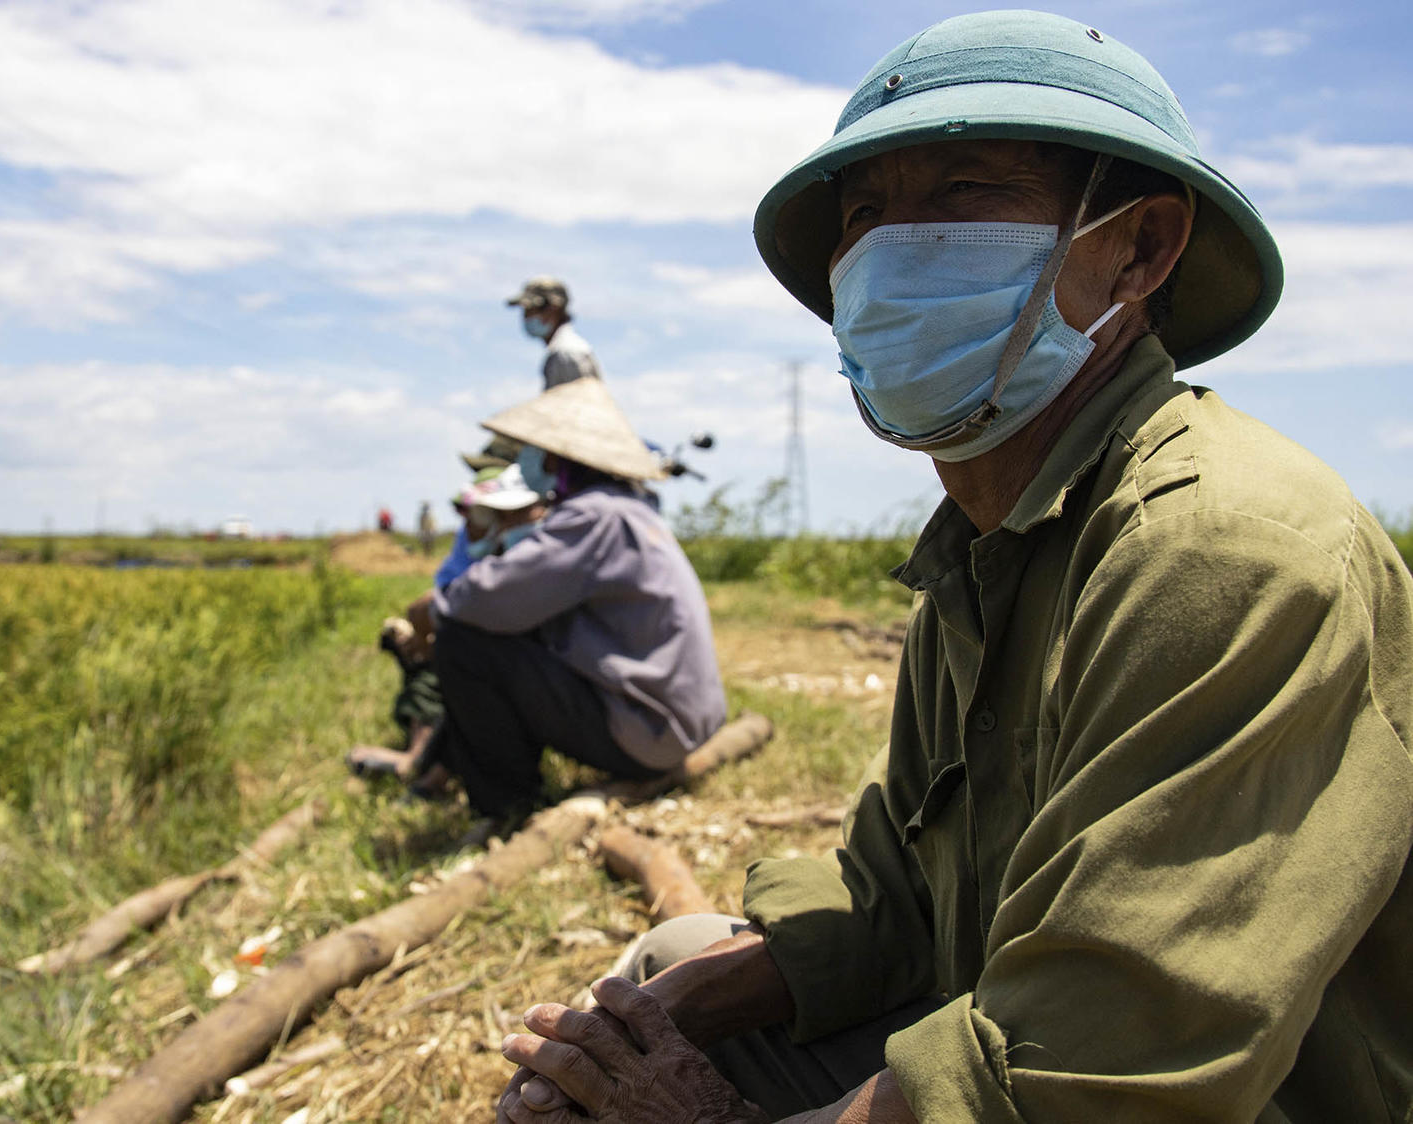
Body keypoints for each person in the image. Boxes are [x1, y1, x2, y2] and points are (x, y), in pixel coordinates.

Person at [497, 11, 1413, 1124]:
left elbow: (1099, 1070)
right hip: (1016, 1023)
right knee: (667, 963)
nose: (892, 252)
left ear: (1141, 247)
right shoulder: (987, 550)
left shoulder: (1229, 551)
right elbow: (898, 899)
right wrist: (673, 1009)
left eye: (967, 192)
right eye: (869, 215)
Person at [410, 376, 724, 834]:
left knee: (463, 636)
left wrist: (435, 608)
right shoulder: (625, 508)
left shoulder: (593, 516)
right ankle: (443, 769)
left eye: (535, 450)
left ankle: (505, 805)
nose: (528, 460)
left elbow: (482, 599)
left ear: (558, 457)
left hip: (650, 730)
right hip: (677, 722)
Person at [348, 465, 543, 785]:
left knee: (453, 659)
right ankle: (428, 762)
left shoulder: (532, 550)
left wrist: (433, 621)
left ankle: (429, 767)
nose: (475, 521)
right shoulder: (479, 544)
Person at [507, 276, 604, 389]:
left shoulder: (567, 353)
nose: (526, 317)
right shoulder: (561, 351)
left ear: (553, 309)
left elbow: (582, 403)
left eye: (530, 310)